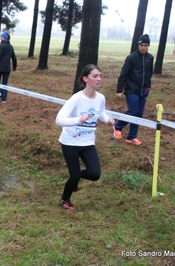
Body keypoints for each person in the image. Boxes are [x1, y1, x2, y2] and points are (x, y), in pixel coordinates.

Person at [56, 64, 115, 210]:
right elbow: (59, 119)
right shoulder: (76, 99)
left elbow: (100, 112)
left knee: (95, 174)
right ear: (85, 79)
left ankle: (75, 176)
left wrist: (107, 119)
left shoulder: (100, 98)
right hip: (70, 142)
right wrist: (78, 119)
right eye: (95, 76)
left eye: (100, 76)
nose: (99, 79)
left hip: (87, 141)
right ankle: (65, 199)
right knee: (74, 176)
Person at [112, 34, 154, 145]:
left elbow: (149, 73)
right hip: (131, 90)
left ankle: (132, 137)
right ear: (138, 45)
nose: (143, 47)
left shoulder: (150, 58)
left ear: (148, 46)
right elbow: (123, 74)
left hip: (144, 91)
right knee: (133, 111)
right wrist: (119, 90)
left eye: (145, 45)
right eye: (141, 45)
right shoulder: (131, 58)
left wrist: (148, 87)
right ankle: (117, 127)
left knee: (139, 114)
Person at [0, 32, 17, 104]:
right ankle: (4, 99)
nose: (0, 38)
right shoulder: (11, 46)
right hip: (7, 68)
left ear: (4, 38)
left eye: (1, 37)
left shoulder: (1, 46)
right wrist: (14, 67)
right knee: (5, 83)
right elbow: (14, 58)